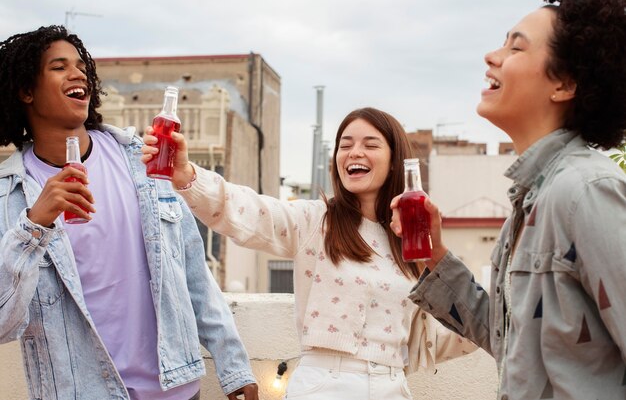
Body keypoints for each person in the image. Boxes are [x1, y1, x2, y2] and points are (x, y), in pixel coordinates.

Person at [141, 107, 477, 400]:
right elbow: (244, 210)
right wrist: (185, 174)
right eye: (345, 145)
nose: (354, 152)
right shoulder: (317, 221)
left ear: (394, 163)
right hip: (325, 385)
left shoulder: (410, 239)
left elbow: (458, 330)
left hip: (394, 386)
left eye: (370, 144)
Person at [390, 0, 626, 398]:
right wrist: (435, 256)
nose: (491, 56)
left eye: (516, 48)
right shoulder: (531, 199)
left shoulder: (586, 191)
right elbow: (507, 341)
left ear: (565, 83)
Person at [0, 25, 258, 400]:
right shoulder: (11, 197)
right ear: (26, 90)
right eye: (59, 67)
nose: (77, 74)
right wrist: (34, 224)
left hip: (176, 390)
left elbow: (192, 272)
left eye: (80, 66)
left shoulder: (144, 162)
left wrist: (234, 369)